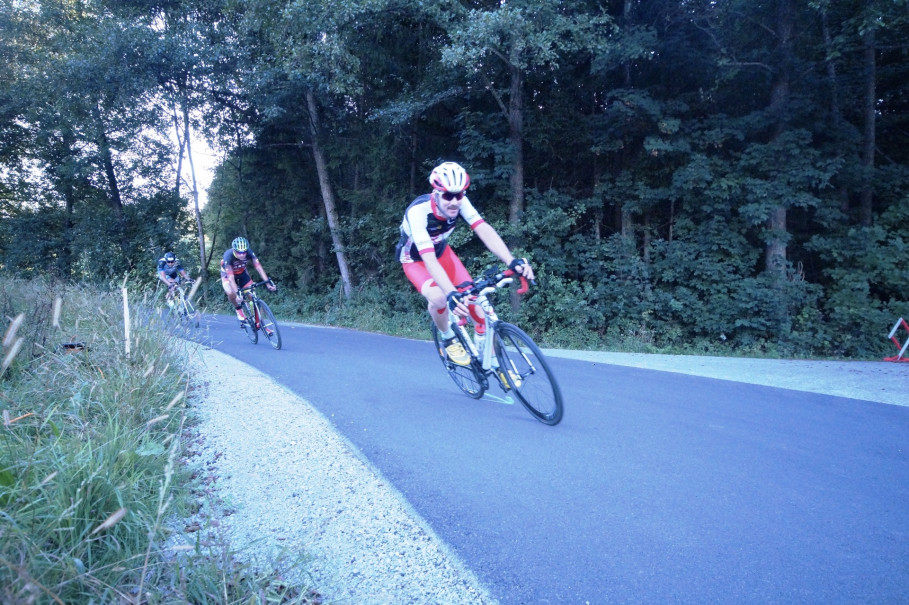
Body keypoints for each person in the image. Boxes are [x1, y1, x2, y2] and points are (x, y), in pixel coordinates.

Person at [397, 161, 534, 366]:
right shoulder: (418, 212)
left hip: (442, 252)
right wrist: (451, 293)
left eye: (459, 195)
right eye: (448, 196)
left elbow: (483, 229)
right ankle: (447, 337)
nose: (454, 201)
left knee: (473, 299)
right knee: (440, 298)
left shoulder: (461, 202)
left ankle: (481, 335)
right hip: (416, 260)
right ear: (436, 193)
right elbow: (429, 260)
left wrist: (511, 260)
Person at [220, 236, 276, 323]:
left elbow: (259, 268)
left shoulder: (249, 252)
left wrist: (268, 284)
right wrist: (237, 294)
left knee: (251, 295)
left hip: (242, 273)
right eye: (239, 252)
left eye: (244, 252)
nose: (242, 254)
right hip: (228, 275)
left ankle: (257, 320)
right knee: (231, 293)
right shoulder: (228, 255)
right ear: (234, 250)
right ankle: (239, 310)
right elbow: (231, 278)